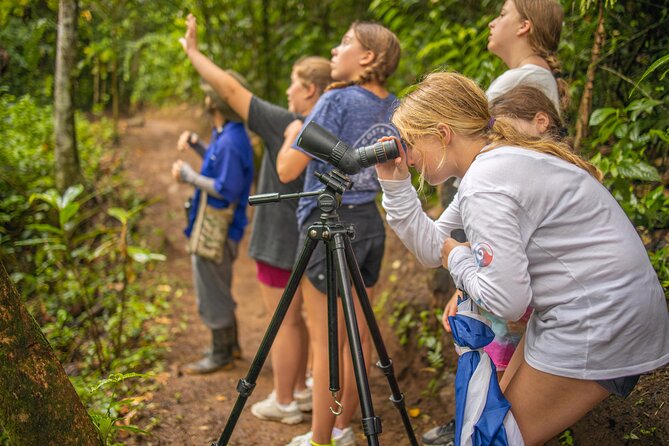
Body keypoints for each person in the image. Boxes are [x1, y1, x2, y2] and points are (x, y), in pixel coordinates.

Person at [377, 71, 669, 446]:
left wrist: (459, 260)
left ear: (443, 134)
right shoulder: (495, 163)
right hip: (598, 308)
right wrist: (397, 187)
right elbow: (434, 245)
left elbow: (506, 301)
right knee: (492, 421)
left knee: (494, 438)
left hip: (600, 318)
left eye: (412, 143)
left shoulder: (486, 184)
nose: (410, 155)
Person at [179, 14, 332, 423]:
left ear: (310, 89)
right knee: (299, 319)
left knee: (282, 321)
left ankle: (284, 399)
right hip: (314, 237)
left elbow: (230, 89)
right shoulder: (332, 125)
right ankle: (299, 391)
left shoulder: (288, 123)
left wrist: (193, 52)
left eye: (293, 83)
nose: (286, 90)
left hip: (279, 238)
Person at [421, 85, 567, 446]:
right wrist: (462, 283)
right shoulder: (494, 175)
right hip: (514, 303)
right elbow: (485, 244)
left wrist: (459, 260)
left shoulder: (530, 173)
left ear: (541, 122)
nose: (497, 142)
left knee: (510, 414)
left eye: (504, 130)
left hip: (532, 307)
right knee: (502, 395)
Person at [277, 21, 401, 446]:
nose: (334, 49)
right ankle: (345, 428)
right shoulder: (397, 105)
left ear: (367, 58)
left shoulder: (338, 100)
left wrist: (294, 133)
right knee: (359, 334)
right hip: (369, 221)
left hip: (326, 221)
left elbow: (288, 169)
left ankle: (318, 439)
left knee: (326, 336)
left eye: (345, 43)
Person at [172, 76, 254, 375]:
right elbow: (218, 163)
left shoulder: (232, 140)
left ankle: (221, 354)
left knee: (212, 290)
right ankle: (229, 346)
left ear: (215, 103)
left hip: (218, 230)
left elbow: (226, 188)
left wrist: (189, 176)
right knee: (216, 286)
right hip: (214, 225)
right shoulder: (226, 133)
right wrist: (198, 145)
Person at [486, 0, 567, 113]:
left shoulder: (519, 78)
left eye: (502, 15)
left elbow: (469, 126)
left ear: (523, 26)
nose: (491, 23)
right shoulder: (540, 76)